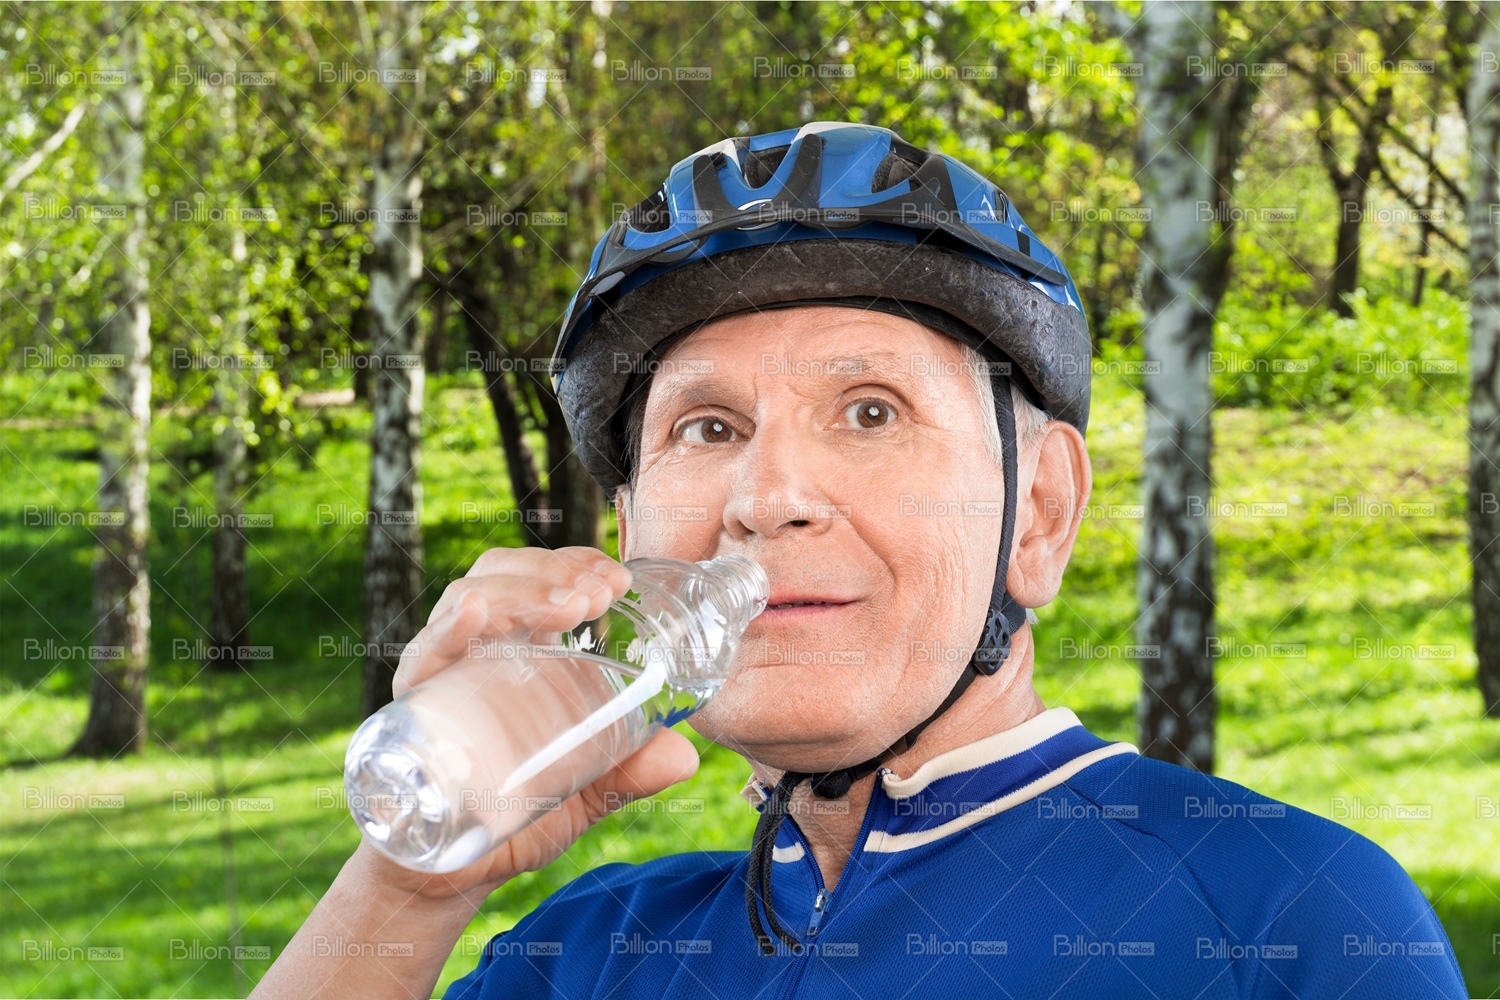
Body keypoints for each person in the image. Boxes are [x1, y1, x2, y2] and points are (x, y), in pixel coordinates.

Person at [253, 122, 1468, 999]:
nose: (766, 498)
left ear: (1039, 515)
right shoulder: (589, 953)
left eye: (872, 411)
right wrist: (407, 886)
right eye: (707, 428)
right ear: (627, 532)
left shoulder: (1282, 918)